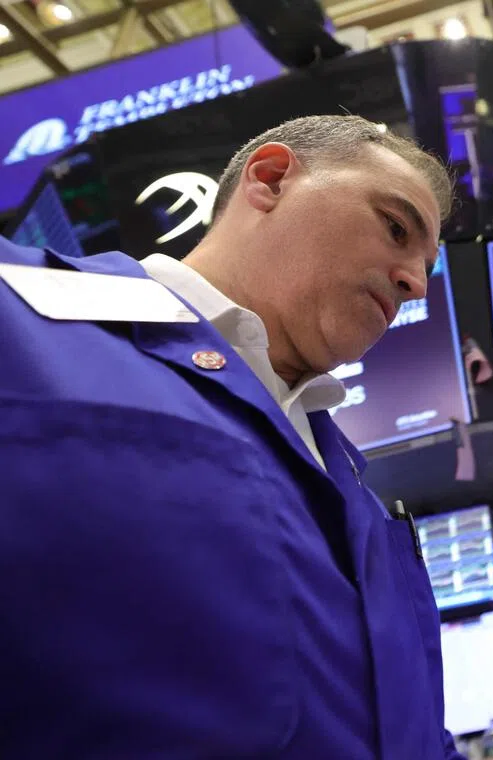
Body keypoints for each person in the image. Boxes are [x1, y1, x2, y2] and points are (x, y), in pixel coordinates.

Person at [0, 115, 463, 758]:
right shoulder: (20, 313)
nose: (415, 282)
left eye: (426, 266)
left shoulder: (351, 485)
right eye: (395, 227)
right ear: (269, 180)